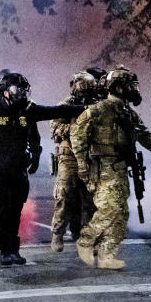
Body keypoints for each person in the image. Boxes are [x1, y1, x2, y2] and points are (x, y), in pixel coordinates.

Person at [0, 72, 83, 265]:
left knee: (15, 209)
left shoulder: (27, 109)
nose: (21, 93)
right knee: (2, 206)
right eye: (17, 89)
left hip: (17, 166)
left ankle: (13, 250)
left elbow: (55, 111)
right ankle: (5, 250)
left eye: (24, 90)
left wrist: (83, 109)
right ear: (5, 91)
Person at [70, 65, 151, 269]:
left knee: (121, 213)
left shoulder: (128, 113)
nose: (134, 89)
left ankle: (107, 255)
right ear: (120, 87)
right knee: (109, 209)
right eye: (130, 85)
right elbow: (77, 135)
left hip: (120, 168)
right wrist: (82, 164)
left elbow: (146, 137)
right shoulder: (98, 110)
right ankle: (86, 240)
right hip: (103, 167)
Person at [49, 71, 99, 252]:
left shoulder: (96, 106)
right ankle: (57, 234)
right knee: (64, 196)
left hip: (90, 157)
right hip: (68, 156)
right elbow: (55, 128)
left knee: (90, 200)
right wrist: (75, 129)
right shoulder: (65, 106)